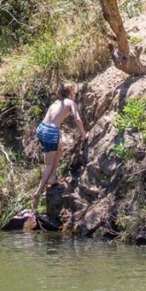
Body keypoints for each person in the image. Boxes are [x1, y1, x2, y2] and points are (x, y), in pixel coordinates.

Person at [31, 83, 88, 212]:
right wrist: (84, 136)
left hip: (41, 129)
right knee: (49, 165)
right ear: (69, 92)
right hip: (51, 132)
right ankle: (38, 192)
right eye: (74, 91)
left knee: (59, 149)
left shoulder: (56, 102)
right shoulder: (70, 102)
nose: (75, 94)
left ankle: (52, 178)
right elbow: (77, 119)